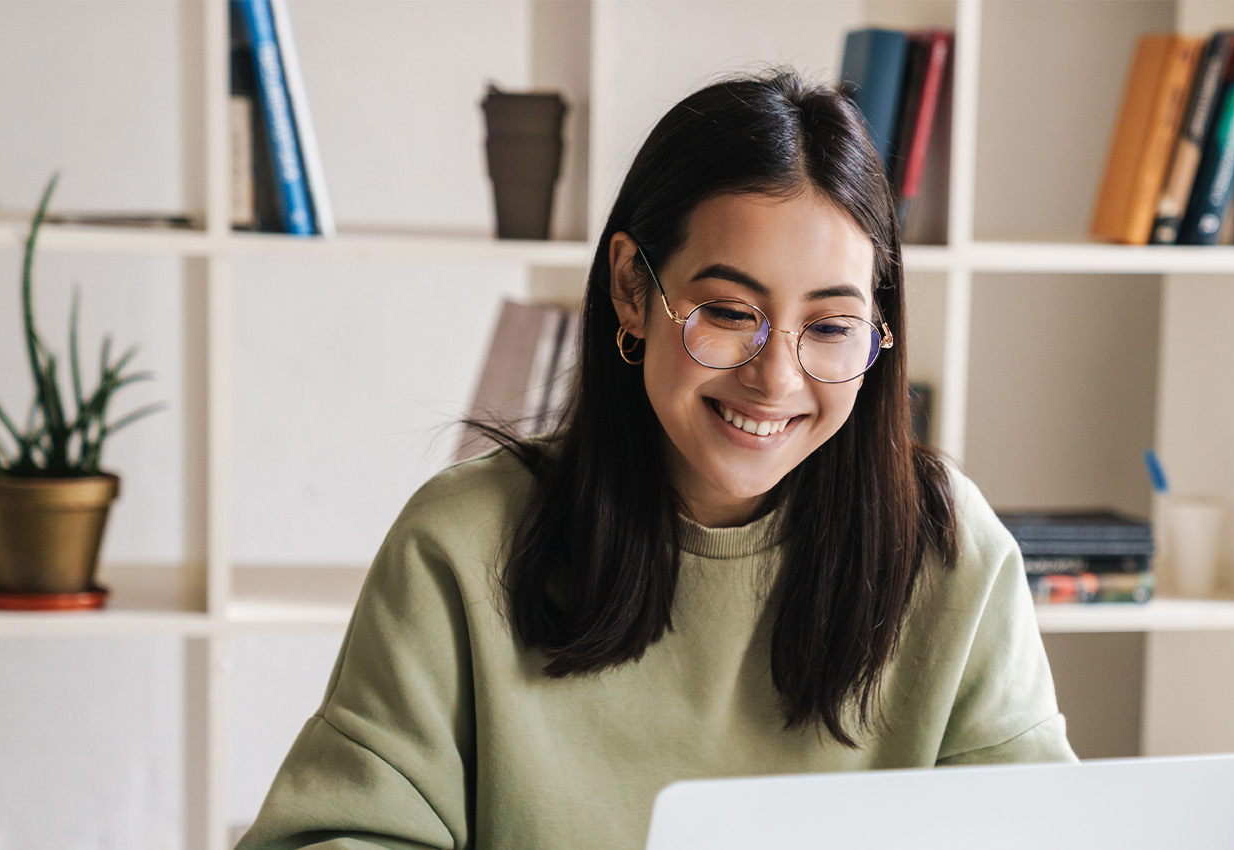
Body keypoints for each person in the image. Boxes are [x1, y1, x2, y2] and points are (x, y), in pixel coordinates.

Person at [236, 70, 1075, 850]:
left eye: (828, 327)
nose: (774, 377)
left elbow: (1046, 831)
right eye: (726, 310)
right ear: (633, 289)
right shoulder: (462, 545)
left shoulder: (950, 554)